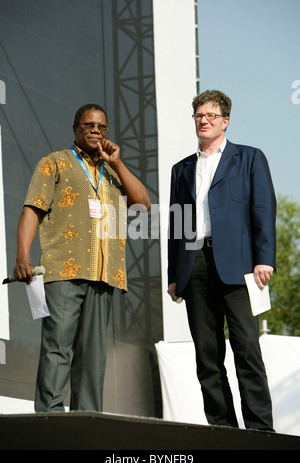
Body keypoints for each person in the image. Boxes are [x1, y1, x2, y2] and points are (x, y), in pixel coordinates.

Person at [13, 103, 151, 412]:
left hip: (104, 275)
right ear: (76, 129)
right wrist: (23, 255)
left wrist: (117, 163)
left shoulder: (113, 172)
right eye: (89, 125)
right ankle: (50, 416)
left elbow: (143, 204)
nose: (95, 131)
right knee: (58, 347)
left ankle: (86, 421)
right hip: (64, 270)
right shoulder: (55, 163)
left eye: (102, 127)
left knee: (93, 356)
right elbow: (31, 211)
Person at [167, 90, 276, 431]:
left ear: (225, 121)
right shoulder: (181, 169)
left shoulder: (249, 158)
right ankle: (223, 430)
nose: (204, 121)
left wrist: (264, 259)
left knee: (247, 350)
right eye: (199, 115)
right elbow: (176, 223)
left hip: (241, 267)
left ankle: (261, 430)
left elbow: (263, 210)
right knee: (207, 358)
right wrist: (174, 274)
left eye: (211, 115)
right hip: (194, 266)